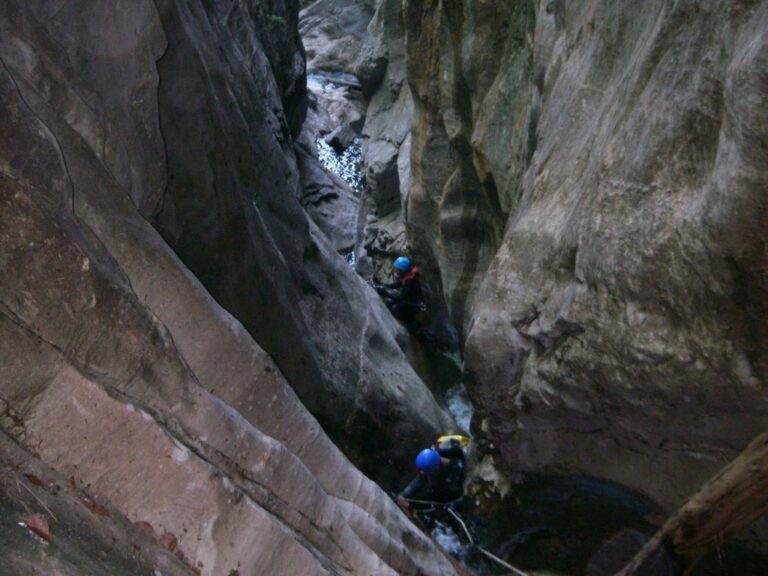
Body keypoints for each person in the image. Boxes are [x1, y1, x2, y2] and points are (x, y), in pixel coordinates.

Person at [396, 436, 468, 510]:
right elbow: (420, 479)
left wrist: (455, 503)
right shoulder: (437, 455)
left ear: (436, 468)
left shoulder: (457, 471)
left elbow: (467, 494)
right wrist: (404, 494)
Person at [375, 256, 426, 333]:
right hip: (412, 301)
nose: (395, 270)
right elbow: (398, 284)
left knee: (394, 308)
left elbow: (401, 297)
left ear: (402, 270)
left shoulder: (410, 281)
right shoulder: (408, 275)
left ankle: (410, 323)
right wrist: (384, 286)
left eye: (397, 269)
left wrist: (387, 296)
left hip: (415, 306)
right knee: (394, 303)